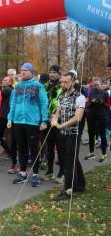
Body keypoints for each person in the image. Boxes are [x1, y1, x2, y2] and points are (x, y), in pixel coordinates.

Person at [7, 62, 49, 187]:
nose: (23, 72)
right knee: (22, 148)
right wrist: (10, 118)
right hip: (18, 121)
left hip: (33, 122)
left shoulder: (38, 86)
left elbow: (43, 103)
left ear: (31, 72)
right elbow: (13, 103)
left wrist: (44, 120)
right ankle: (23, 172)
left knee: (33, 148)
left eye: (25, 70)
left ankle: (35, 174)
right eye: (22, 70)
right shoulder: (17, 87)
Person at [52, 71, 86, 201]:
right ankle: (80, 184)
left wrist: (61, 125)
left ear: (73, 81)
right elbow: (58, 111)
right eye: (61, 82)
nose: (62, 84)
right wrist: (54, 118)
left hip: (74, 133)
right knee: (72, 159)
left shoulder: (80, 97)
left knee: (69, 161)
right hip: (63, 133)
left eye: (65, 82)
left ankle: (67, 190)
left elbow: (78, 117)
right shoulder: (62, 95)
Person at [43, 65, 63, 181]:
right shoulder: (45, 86)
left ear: (59, 74)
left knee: (60, 147)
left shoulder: (63, 85)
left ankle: (62, 172)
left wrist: (56, 116)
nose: (52, 74)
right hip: (47, 120)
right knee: (49, 147)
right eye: (50, 72)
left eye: (54, 72)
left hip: (59, 120)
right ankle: (49, 171)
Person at [84, 78, 110, 162]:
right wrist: (91, 102)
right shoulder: (91, 93)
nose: (96, 87)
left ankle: (104, 154)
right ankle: (91, 153)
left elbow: (108, 105)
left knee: (102, 135)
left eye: (97, 85)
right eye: (94, 85)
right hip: (91, 116)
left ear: (101, 85)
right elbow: (87, 105)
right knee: (91, 135)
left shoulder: (105, 93)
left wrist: (101, 102)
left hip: (102, 116)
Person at [0, 76, 18, 174]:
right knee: (2, 136)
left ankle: (11, 155)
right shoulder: (7, 89)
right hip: (4, 116)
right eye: (3, 79)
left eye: (5, 80)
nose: (3, 81)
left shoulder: (8, 89)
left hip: (6, 117)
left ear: (10, 82)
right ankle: (10, 153)